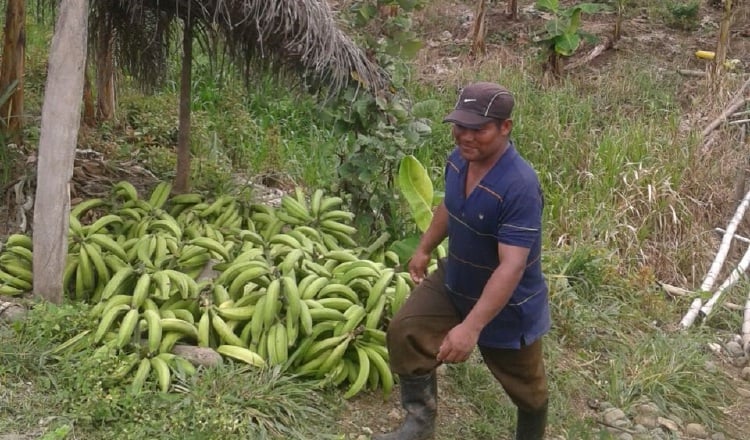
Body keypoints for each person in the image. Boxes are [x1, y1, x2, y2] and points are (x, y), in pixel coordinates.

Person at [374, 82, 551, 440]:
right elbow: (449, 207)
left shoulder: (519, 186)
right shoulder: (458, 160)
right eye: (460, 126)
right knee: (406, 330)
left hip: (508, 303)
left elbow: (512, 266)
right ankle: (418, 425)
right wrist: (424, 248)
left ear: (505, 127)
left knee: (529, 393)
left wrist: (471, 328)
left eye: (479, 129)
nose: (466, 137)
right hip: (456, 279)